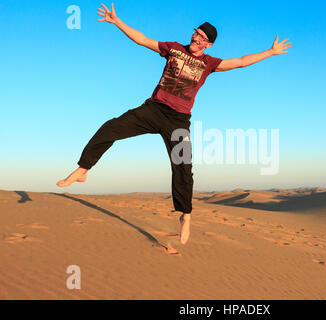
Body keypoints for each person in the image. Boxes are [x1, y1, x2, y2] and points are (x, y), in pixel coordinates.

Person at [56, 3, 291, 245]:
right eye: (195, 32)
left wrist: (270, 52)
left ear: (208, 44)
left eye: (201, 37)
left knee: (183, 167)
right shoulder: (174, 49)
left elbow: (242, 61)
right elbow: (142, 40)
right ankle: (84, 169)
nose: (195, 37)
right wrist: (118, 22)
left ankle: (185, 216)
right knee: (111, 127)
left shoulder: (210, 63)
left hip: (178, 121)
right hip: (152, 110)